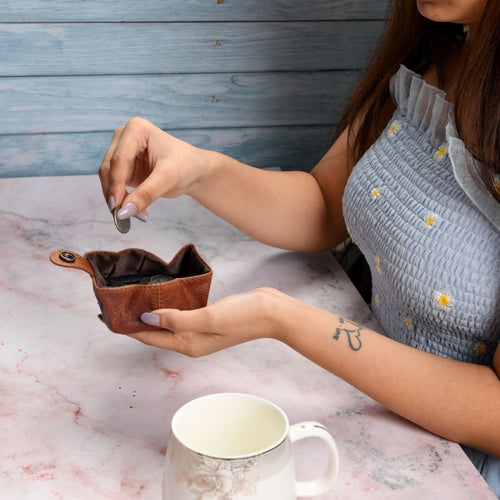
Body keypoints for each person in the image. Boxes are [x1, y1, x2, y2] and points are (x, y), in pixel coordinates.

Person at [98, 0, 500, 494]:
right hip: (374, 420)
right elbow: (326, 205)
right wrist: (198, 169)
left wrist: (281, 319)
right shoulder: (445, 43)